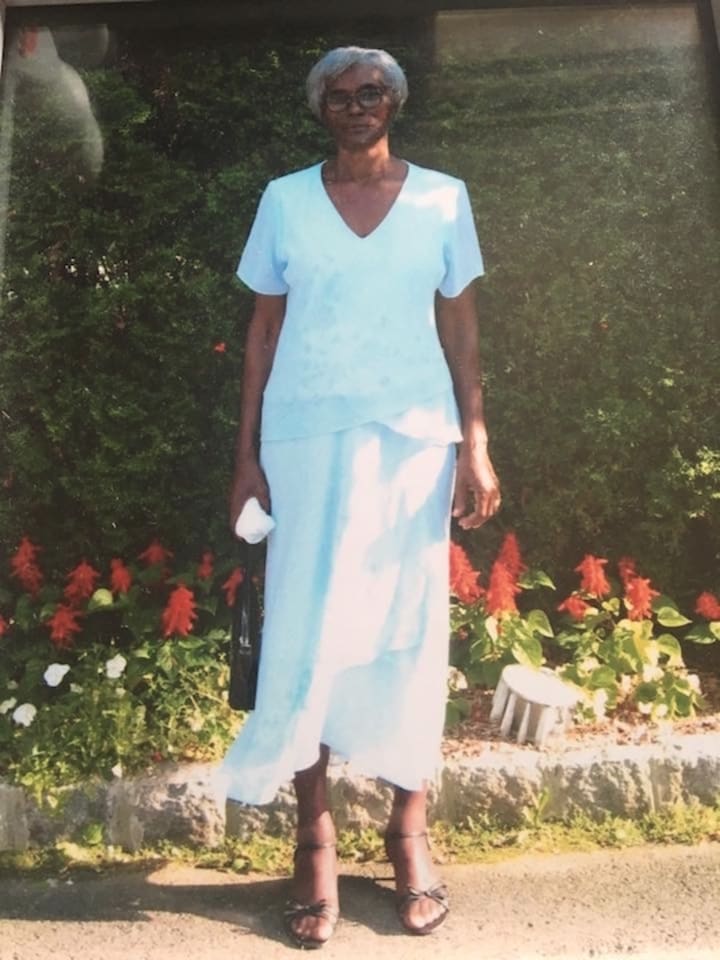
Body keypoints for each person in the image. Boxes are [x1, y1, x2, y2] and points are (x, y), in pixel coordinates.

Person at [223, 45, 501, 949]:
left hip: (414, 441)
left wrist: (475, 441)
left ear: (395, 102)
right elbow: (262, 332)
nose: (356, 105)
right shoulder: (284, 202)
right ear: (321, 109)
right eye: (339, 95)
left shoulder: (443, 198)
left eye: (371, 91)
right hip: (304, 440)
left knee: (408, 630)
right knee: (306, 631)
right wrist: (245, 456)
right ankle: (314, 840)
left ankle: (407, 832)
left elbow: (461, 328)